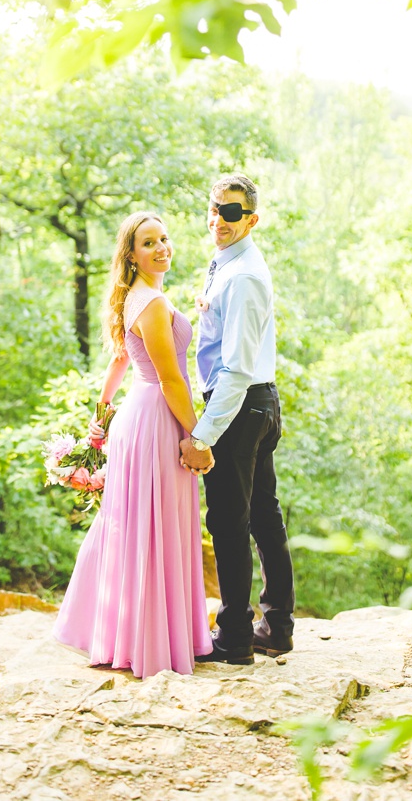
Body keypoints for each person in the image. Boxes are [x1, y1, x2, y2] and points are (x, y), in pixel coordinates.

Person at [54, 212, 213, 677]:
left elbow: (120, 361)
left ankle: (129, 635)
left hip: (133, 420)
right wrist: (198, 435)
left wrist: (100, 419)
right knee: (151, 528)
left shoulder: (136, 298)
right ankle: (150, 645)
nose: (162, 247)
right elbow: (169, 379)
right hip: (156, 422)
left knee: (134, 526)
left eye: (165, 238)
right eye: (149, 242)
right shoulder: (153, 304)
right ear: (132, 255)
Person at [179, 174, 295, 665]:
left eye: (231, 213)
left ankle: (234, 639)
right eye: (214, 209)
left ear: (251, 219)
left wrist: (203, 434)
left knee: (229, 522)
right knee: (265, 518)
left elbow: (235, 368)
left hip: (240, 405)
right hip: (257, 402)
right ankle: (277, 627)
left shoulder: (244, 275)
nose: (218, 220)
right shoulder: (229, 264)